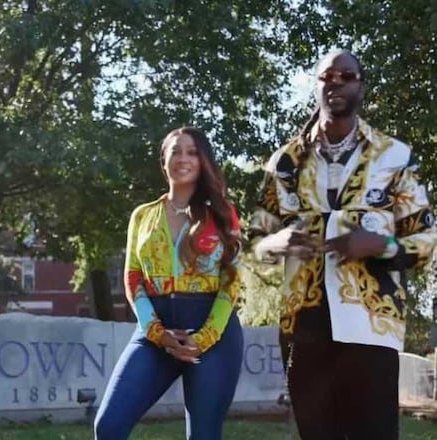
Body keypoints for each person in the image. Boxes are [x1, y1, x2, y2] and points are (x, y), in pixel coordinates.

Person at [250, 49, 437, 439]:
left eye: (346, 76)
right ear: (316, 86)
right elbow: (255, 245)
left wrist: (381, 245)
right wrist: (278, 241)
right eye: (327, 77)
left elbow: (425, 241)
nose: (335, 83)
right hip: (303, 326)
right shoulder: (285, 162)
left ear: (361, 86)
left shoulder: (394, 156)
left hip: (371, 324)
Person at [94, 126, 243, 440]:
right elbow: (133, 276)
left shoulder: (222, 214)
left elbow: (231, 280)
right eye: (175, 151)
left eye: (192, 152)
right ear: (163, 161)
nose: (183, 158)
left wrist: (204, 337)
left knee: (203, 436)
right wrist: (157, 333)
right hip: (154, 331)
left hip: (214, 335)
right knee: (108, 427)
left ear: (203, 161)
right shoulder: (143, 216)